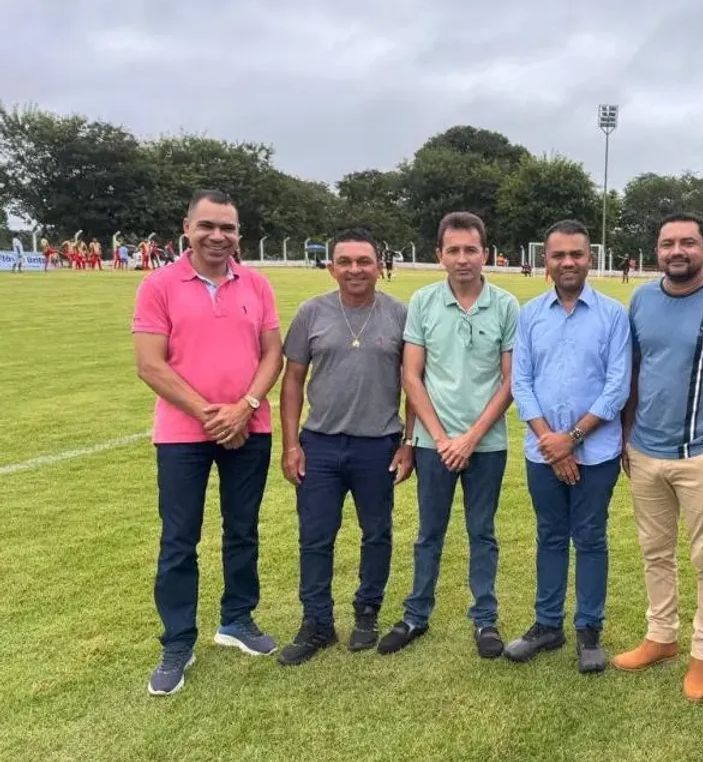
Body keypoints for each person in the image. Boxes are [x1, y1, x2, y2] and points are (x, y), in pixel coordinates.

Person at [131, 189, 284, 696]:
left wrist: (245, 407)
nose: (218, 236)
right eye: (208, 226)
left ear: (239, 234)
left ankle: (237, 619)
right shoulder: (159, 285)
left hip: (250, 425)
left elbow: (272, 355)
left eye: (228, 228)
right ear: (187, 227)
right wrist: (209, 414)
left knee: (243, 530)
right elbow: (150, 364)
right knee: (179, 539)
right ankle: (178, 640)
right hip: (182, 435)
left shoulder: (256, 284)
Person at [613, 213, 703, 702]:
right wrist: (627, 434)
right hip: (644, 450)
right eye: (668, 243)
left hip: (701, 453)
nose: (677, 251)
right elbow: (637, 368)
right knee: (654, 552)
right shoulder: (642, 298)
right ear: (657, 250)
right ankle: (661, 638)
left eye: (688, 242)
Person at [380, 212, 519, 659]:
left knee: (482, 532)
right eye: (453, 250)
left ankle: (485, 620)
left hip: (487, 444)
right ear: (440, 254)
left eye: (471, 250)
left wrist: (470, 438)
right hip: (432, 443)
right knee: (429, 533)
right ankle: (416, 615)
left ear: (485, 253)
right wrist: (440, 439)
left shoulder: (505, 305)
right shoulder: (422, 301)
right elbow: (412, 376)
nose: (463, 259)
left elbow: (510, 382)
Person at [277, 228, 416, 665]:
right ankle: (317, 621)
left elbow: (415, 384)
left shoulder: (399, 314)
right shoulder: (311, 313)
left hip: (378, 444)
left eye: (364, 261)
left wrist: (408, 443)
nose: (355, 269)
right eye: (346, 261)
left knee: (376, 532)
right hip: (319, 444)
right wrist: (290, 444)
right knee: (315, 537)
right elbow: (293, 380)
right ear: (332, 266)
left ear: (379, 265)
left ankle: (367, 610)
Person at [506, 220, 631, 673]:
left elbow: (617, 386)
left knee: (591, 537)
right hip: (542, 450)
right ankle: (547, 624)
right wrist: (550, 442)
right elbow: (521, 382)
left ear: (590, 258)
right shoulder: (531, 313)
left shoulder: (614, 315)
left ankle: (589, 630)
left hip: (595, 452)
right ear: (547, 261)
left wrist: (572, 439)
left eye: (576, 254)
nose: (568, 262)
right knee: (551, 535)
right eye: (558, 255)